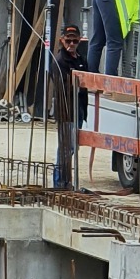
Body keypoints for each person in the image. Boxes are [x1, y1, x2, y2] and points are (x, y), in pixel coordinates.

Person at [52, 19, 88, 190]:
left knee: (72, 148)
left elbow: (85, 82)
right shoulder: (60, 61)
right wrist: (78, 84)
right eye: (68, 40)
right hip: (66, 111)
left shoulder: (80, 59)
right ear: (62, 40)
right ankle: (60, 184)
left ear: (79, 40)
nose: (71, 44)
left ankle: (66, 182)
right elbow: (63, 86)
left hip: (78, 109)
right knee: (66, 149)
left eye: (75, 41)